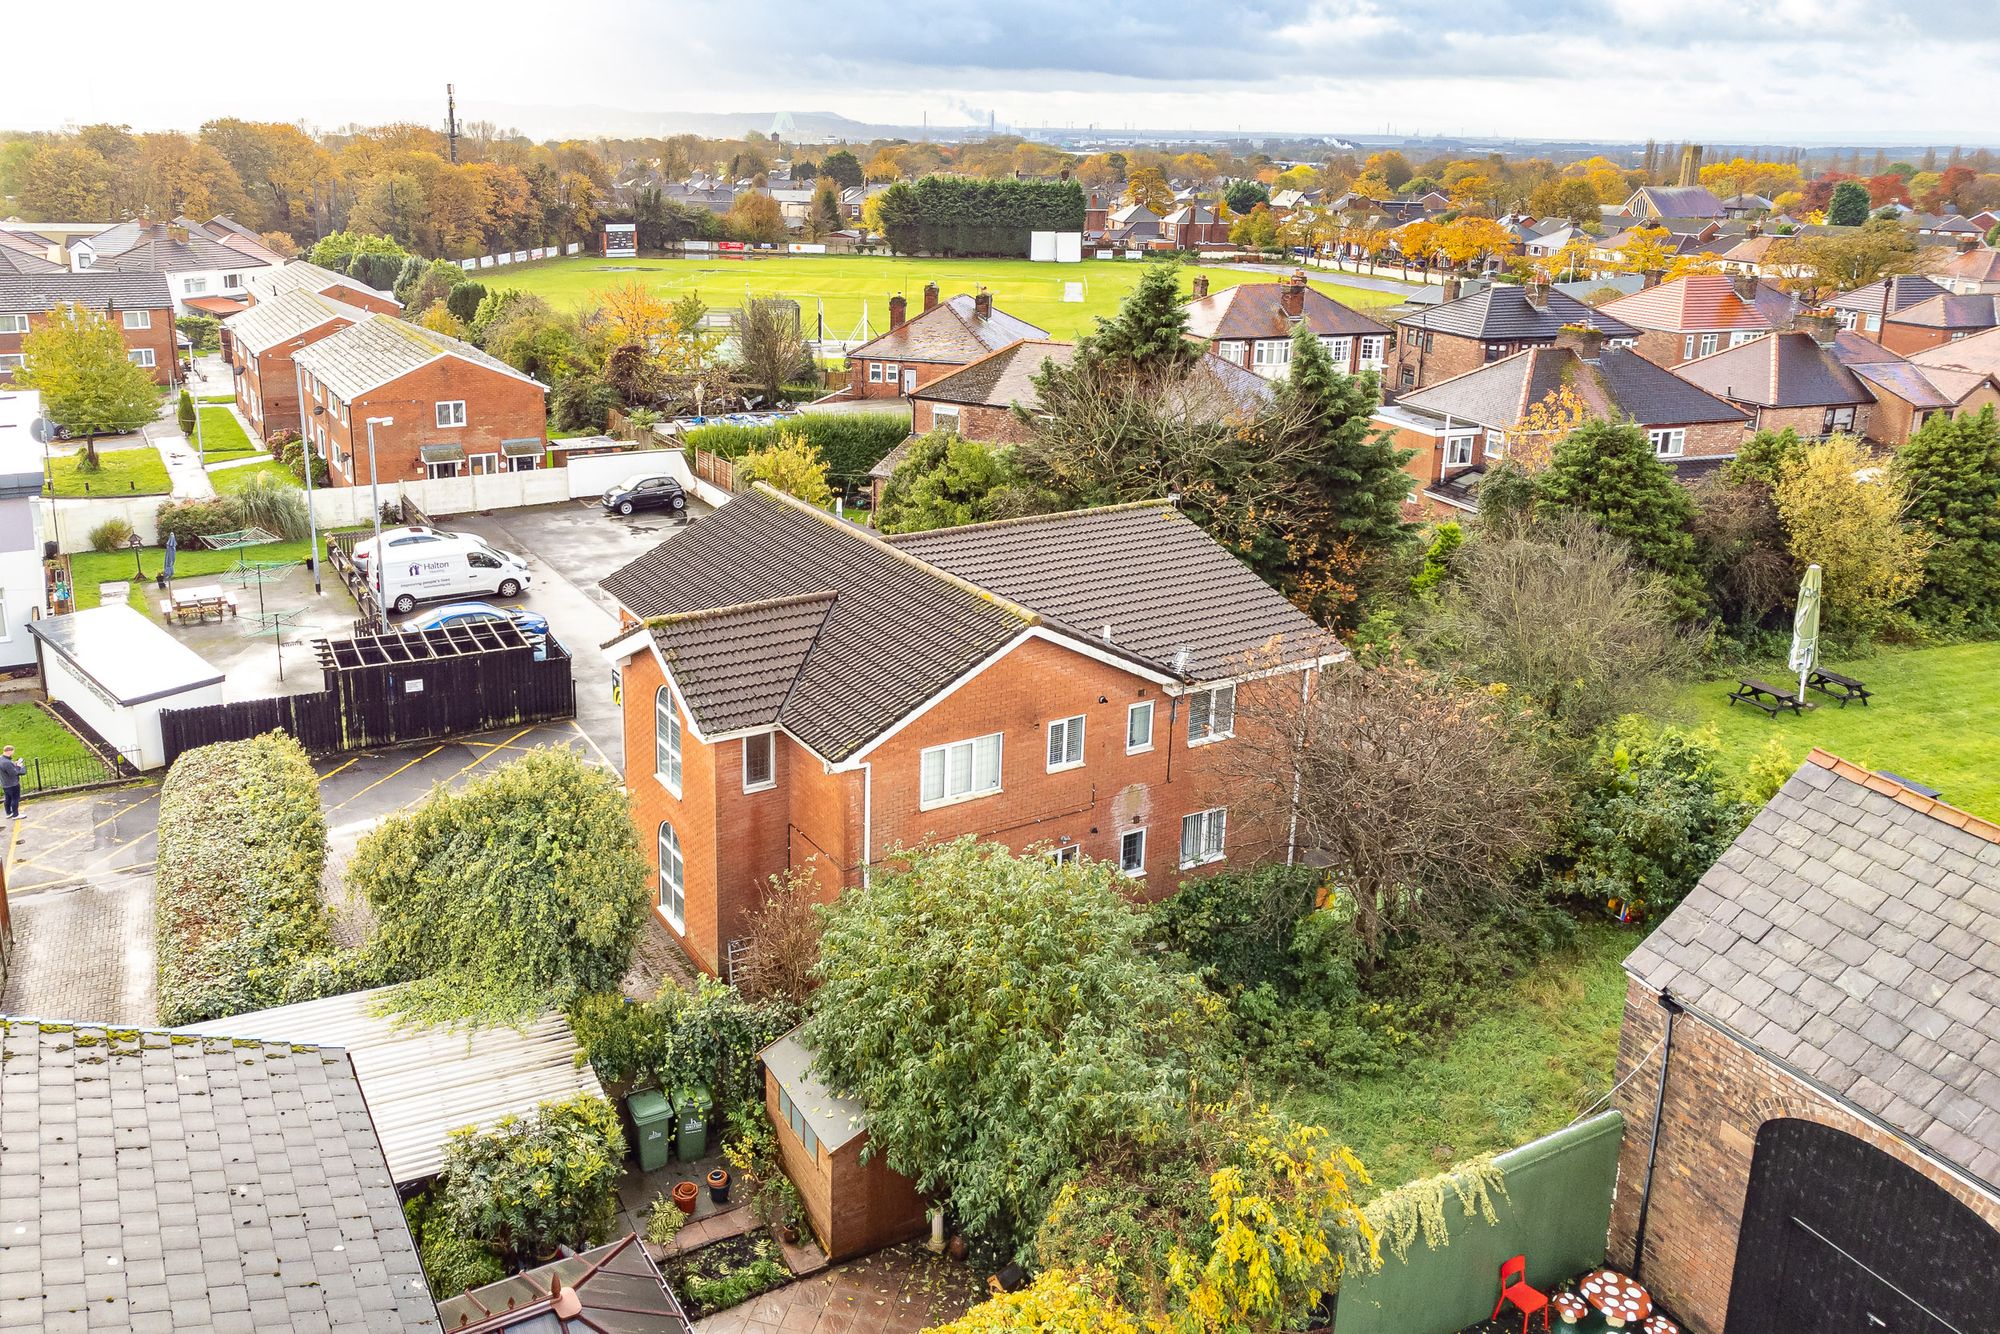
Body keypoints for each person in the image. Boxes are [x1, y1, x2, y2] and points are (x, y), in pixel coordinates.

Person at [0, 745, 25, 819]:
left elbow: (6, 769)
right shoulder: (6, 762)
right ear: (9, 751)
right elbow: (14, 773)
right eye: (12, 752)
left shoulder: (1, 759)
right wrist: (19, 766)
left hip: (4, 783)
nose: (13, 754)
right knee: (15, 799)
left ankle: (8, 813)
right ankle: (16, 815)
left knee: (7, 798)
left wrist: (13, 764)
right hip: (12, 784)